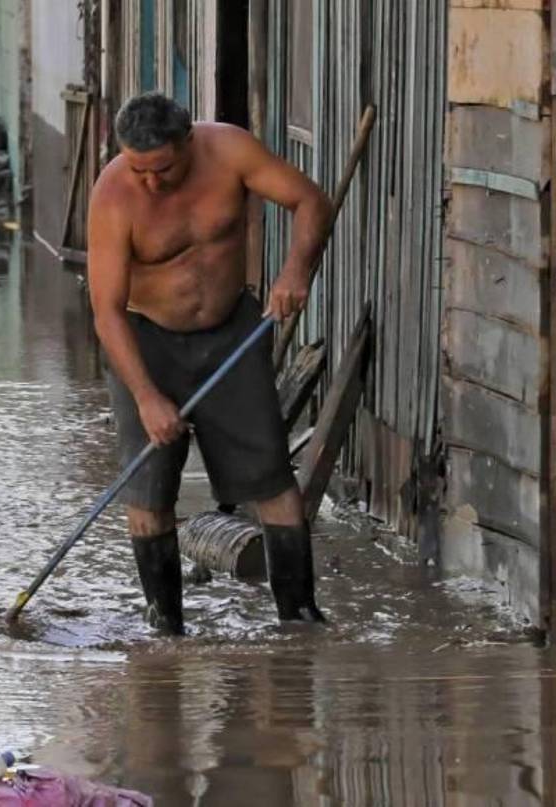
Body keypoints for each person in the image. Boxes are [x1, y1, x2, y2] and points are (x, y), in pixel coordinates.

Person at [87, 92, 332, 634]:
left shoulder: (229, 150)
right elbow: (106, 313)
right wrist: (148, 397)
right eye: (138, 169)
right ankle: (166, 623)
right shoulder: (113, 196)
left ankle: (298, 614)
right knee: (148, 489)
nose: (151, 182)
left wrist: (296, 270)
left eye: (163, 169)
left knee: (270, 476)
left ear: (188, 143)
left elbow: (309, 200)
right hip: (146, 341)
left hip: (231, 336)